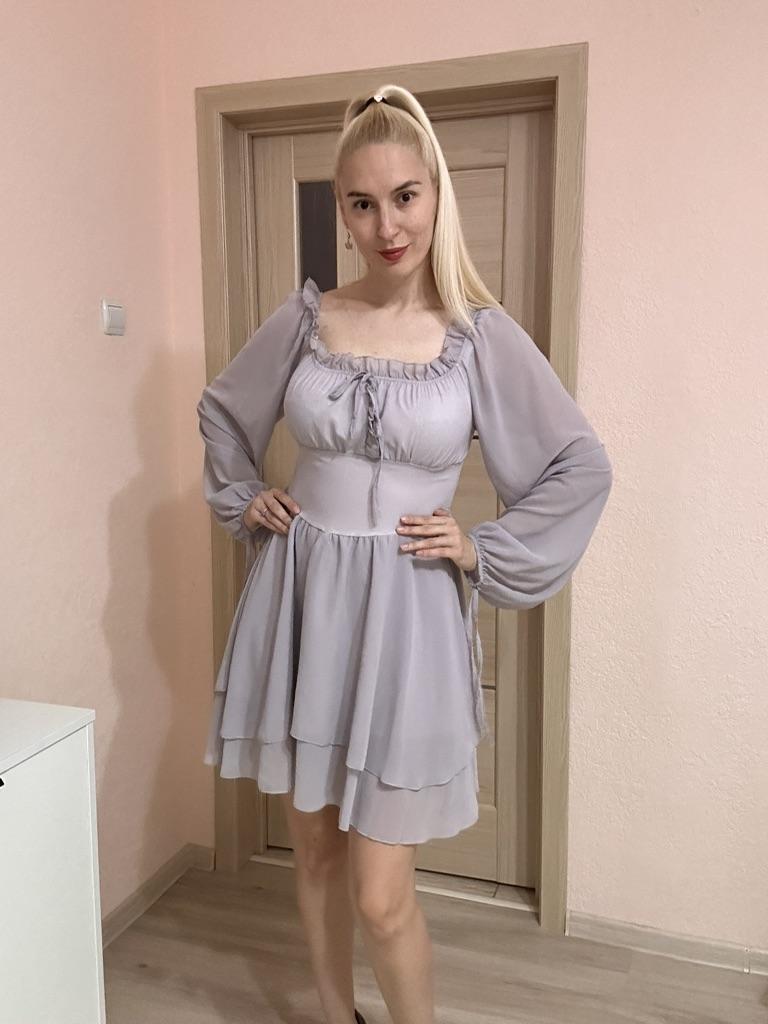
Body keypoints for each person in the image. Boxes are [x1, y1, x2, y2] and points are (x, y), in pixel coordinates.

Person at [197, 84, 613, 1024]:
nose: (387, 226)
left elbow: (578, 464)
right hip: (303, 601)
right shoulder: (306, 320)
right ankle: (334, 1012)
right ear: (341, 210)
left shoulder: (477, 337)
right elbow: (223, 413)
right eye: (362, 203)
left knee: (383, 897)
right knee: (314, 853)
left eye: (405, 196)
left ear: (436, 195)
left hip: (409, 616)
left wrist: (482, 545)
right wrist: (244, 493)